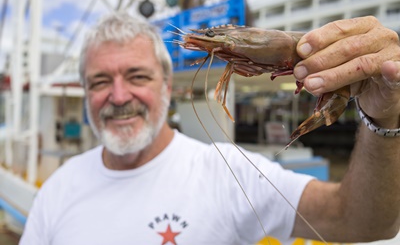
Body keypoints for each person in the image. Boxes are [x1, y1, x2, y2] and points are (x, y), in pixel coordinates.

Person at [20, 13, 400, 245]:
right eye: (100, 81)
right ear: (85, 92)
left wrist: (382, 116)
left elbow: (363, 221)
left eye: (137, 76)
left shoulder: (229, 172)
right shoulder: (58, 188)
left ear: (167, 86)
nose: (119, 96)